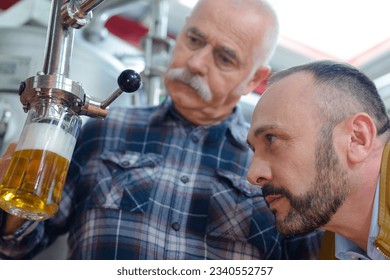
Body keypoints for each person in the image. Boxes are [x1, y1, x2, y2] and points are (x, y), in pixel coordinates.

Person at [0, 0, 322, 259]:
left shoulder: (276, 171)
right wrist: (12, 205)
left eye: (224, 57)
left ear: (253, 79)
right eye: (194, 40)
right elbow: (19, 246)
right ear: (180, 34)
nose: (196, 62)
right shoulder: (104, 131)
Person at [247, 60, 390, 260]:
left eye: (272, 139)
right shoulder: (330, 248)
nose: (253, 175)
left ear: (357, 138)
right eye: (254, 150)